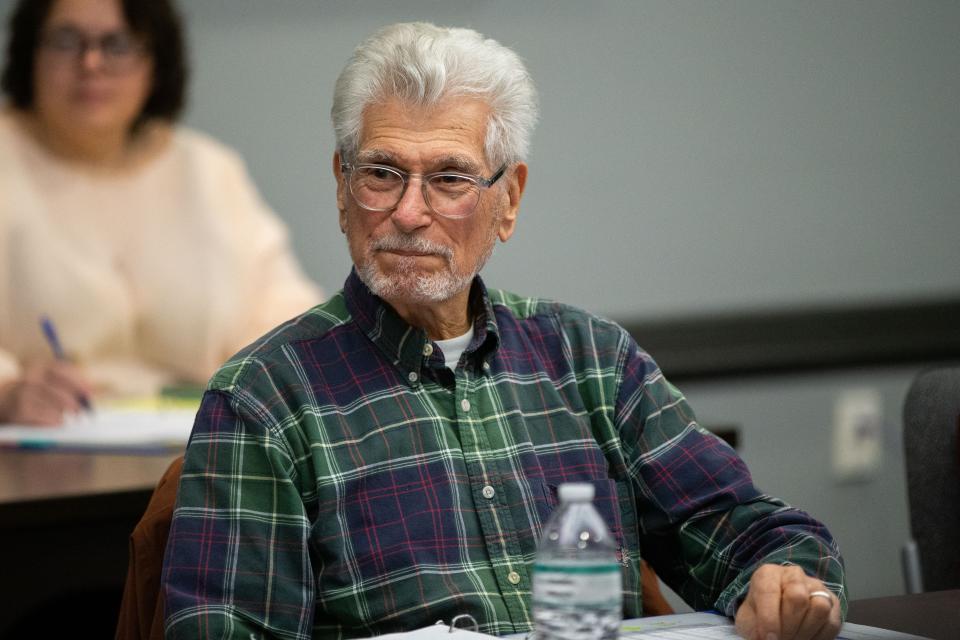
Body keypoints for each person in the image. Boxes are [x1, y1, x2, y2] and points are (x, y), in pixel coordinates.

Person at [162, 22, 846, 640]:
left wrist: (787, 582)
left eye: (450, 178)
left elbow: (750, 532)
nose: (408, 212)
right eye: (381, 174)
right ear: (342, 187)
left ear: (508, 200)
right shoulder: (265, 399)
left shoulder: (592, 363)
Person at [0, 0, 322, 426]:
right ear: (29, 53)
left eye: (117, 44)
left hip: (204, 447)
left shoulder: (208, 170)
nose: (91, 62)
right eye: (65, 41)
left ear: (155, 61)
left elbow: (288, 316)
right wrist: (5, 393)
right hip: (38, 454)